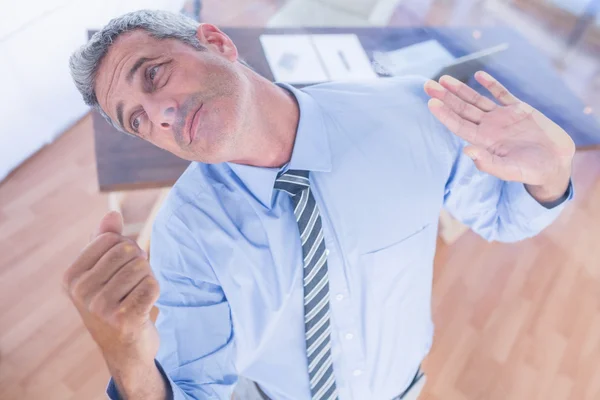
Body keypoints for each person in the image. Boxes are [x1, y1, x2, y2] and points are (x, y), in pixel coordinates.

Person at [64, 9, 575, 400]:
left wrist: (550, 175)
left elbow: (503, 218)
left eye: (153, 75)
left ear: (217, 43)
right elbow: (197, 389)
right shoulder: (186, 233)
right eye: (137, 120)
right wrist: (126, 358)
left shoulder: (409, 114)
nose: (162, 114)